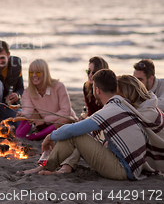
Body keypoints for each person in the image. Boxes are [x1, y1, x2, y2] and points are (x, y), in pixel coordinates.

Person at [22, 69, 164, 180]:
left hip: (125, 170)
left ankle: (45, 167)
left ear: (97, 90)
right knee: (76, 133)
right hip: (130, 165)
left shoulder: (112, 109)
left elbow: (73, 131)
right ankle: (61, 166)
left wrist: (49, 137)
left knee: (75, 135)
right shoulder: (121, 105)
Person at [15, 59, 76, 141]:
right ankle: (18, 137)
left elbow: (65, 112)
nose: (33, 75)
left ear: (45, 73)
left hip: (61, 123)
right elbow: (28, 110)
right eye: (31, 72)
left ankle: (35, 137)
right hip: (43, 124)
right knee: (30, 116)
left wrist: (44, 120)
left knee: (67, 118)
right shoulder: (28, 91)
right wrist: (23, 114)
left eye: (38, 72)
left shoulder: (59, 86)